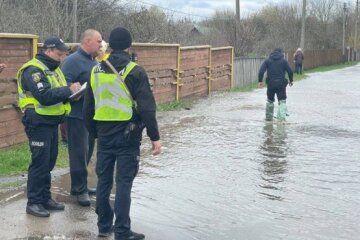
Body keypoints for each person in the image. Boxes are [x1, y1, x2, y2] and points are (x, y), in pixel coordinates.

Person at [83, 27, 161, 240]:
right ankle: (122, 231)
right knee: (124, 183)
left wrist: (95, 132)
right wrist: (155, 137)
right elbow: (146, 108)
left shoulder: (95, 70)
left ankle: (103, 226)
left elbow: (88, 108)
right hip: (128, 136)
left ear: (109, 45)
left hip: (104, 134)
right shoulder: (135, 70)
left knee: (104, 181)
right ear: (129, 45)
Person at [16, 36, 81, 217]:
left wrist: (72, 92)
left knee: (49, 162)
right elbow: (43, 95)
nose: (62, 58)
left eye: (64, 54)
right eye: (60, 54)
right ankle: (34, 202)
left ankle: (45, 198)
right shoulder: (33, 69)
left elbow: (57, 92)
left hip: (51, 121)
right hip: (37, 122)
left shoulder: (54, 70)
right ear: (49, 50)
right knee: (39, 163)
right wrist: (68, 90)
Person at [258, 48, 293, 121]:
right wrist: (291, 80)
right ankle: (281, 119)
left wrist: (260, 81)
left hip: (271, 84)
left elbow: (261, 71)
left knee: (270, 101)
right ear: (281, 53)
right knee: (282, 101)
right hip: (281, 84)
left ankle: (268, 118)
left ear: (272, 53)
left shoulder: (267, 60)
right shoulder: (284, 61)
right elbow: (290, 71)